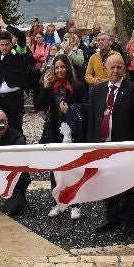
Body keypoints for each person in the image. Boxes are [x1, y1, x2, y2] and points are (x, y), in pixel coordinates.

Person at [88, 51, 134, 240]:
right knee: (107, 182)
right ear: (105, 68)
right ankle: (111, 217)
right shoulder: (97, 90)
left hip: (125, 146)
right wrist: (90, 146)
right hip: (103, 144)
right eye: (111, 67)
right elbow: (93, 120)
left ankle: (127, 221)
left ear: (124, 69)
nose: (115, 71)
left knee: (127, 185)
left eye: (118, 67)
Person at [38, 56, 87, 220]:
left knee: (73, 167)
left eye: (62, 67)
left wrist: (71, 111)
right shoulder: (51, 86)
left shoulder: (78, 85)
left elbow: (86, 107)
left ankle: (75, 204)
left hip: (72, 130)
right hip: (53, 130)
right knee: (55, 168)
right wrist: (45, 87)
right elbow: (39, 106)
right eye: (57, 67)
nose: (59, 70)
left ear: (68, 68)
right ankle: (58, 202)